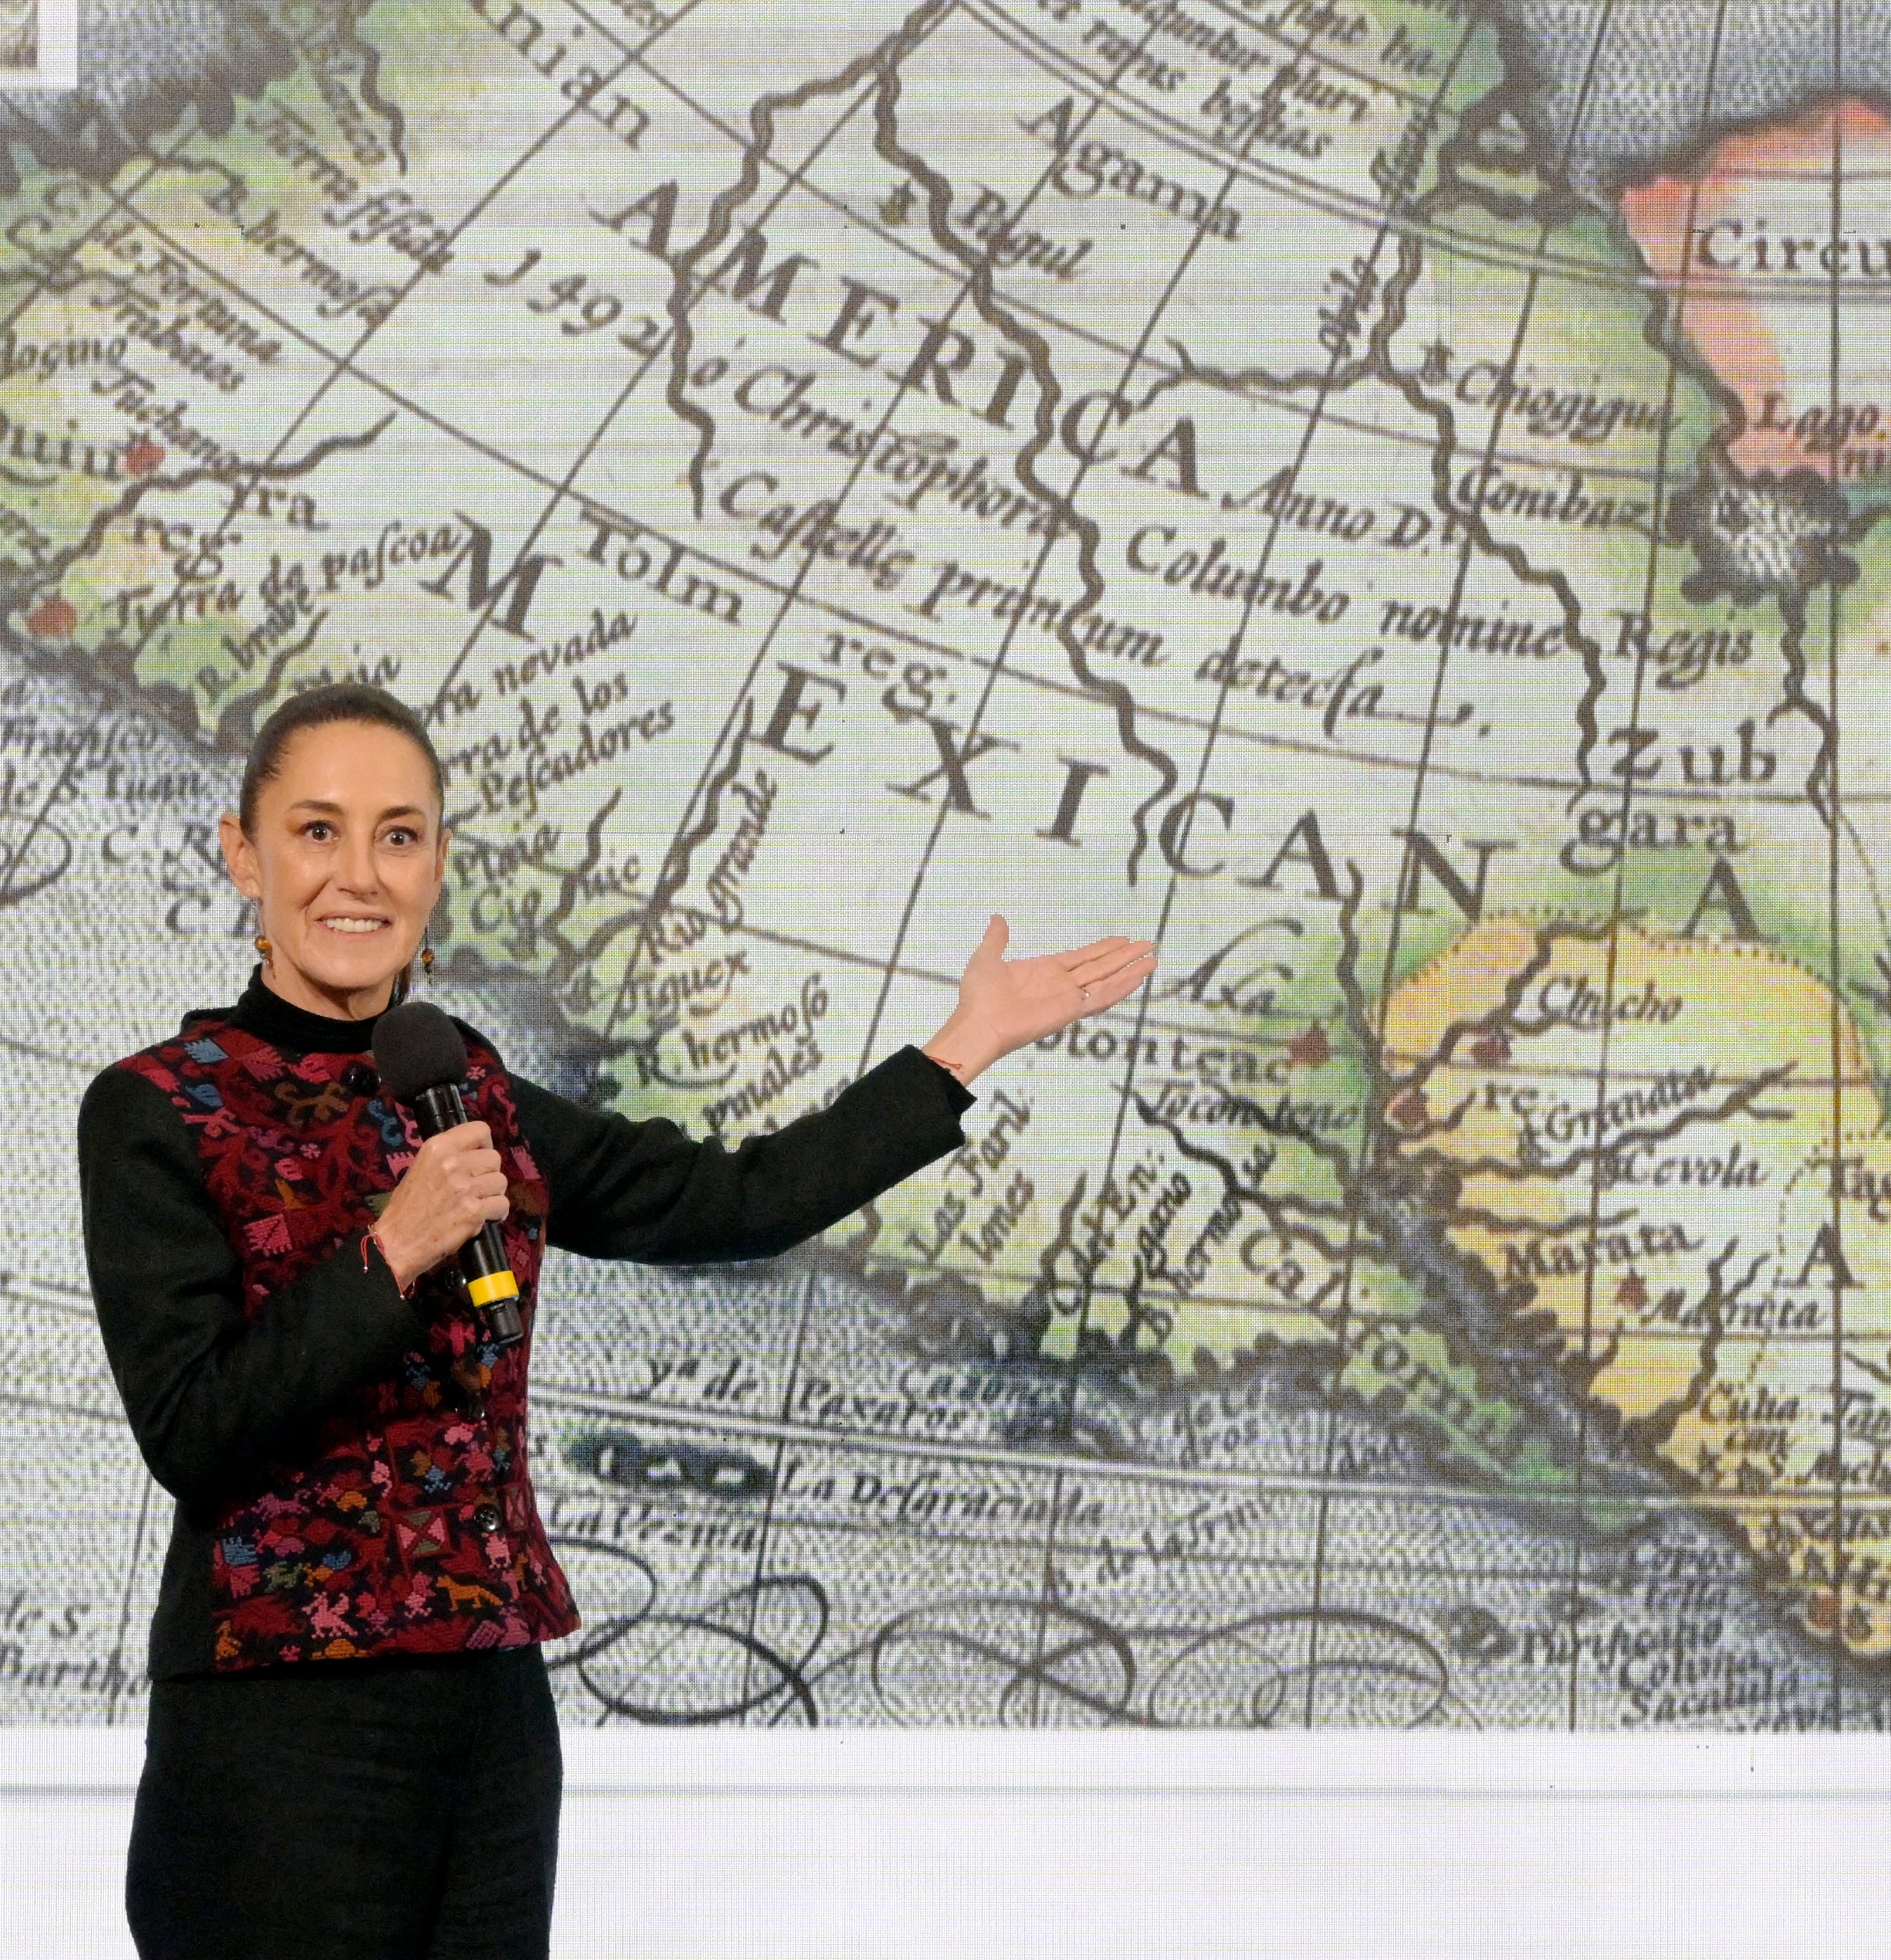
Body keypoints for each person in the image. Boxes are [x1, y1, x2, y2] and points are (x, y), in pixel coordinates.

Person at [78, 681, 1152, 1959]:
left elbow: (730, 1203)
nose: (359, 874)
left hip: (489, 1710)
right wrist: (394, 1249)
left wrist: (963, 1047)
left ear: (437, 864)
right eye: (318, 831)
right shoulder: (159, 1107)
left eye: (400, 834)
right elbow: (194, 1430)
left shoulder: (462, 1083)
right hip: (278, 1729)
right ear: (242, 852)